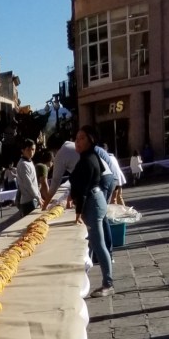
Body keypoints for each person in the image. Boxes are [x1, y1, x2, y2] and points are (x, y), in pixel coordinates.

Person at [69, 127, 114, 299]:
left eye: (81, 138)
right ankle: (107, 281)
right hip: (96, 199)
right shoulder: (90, 157)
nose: (77, 141)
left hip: (93, 202)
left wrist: (78, 212)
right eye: (76, 138)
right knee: (98, 242)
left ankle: (108, 284)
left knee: (98, 243)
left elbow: (83, 189)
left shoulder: (87, 160)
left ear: (90, 140)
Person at [16, 140, 42, 216]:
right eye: (28, 150)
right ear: (22, 150)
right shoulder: (23, 164)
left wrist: (39, 196)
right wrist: (38, 197)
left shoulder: (29, 162)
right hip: (28, 202)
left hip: (34, 199)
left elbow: (34, 182)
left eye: (33, 149)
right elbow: (29, 184)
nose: (31, 152)